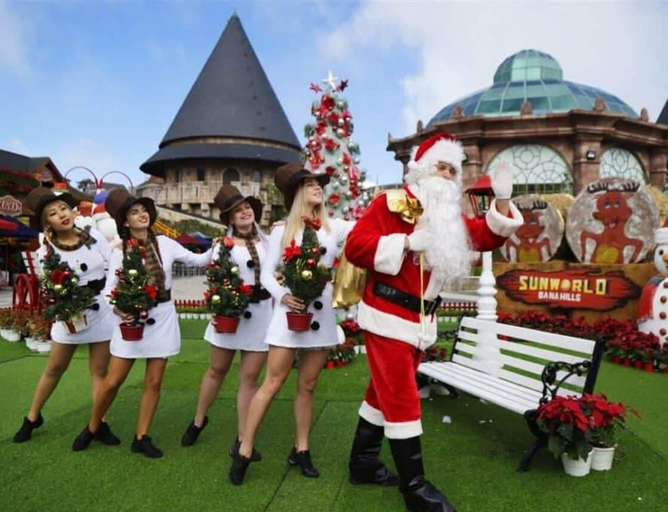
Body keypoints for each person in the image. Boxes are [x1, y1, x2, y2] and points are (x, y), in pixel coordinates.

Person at [344, 132, 522, 512]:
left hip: (420, 321)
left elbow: (484, 235)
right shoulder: (390, 204)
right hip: (387, 315)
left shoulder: (450, 217)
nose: (445, 174)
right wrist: (407, 242)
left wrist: (503, 200)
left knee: (383, 392)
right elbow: (356, 246)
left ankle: (362, 465)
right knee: (403, 398)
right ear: (421, 170)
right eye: (440, 166)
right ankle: (415, 490)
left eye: (451, 169)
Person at [228, 163, 354, 485]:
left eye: (318, 183)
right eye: (309, 183)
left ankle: (302, 449)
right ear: (296, 192)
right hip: (289, 316)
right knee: (272, 383)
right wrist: (283, 296)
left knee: (308, 385)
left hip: (321, 316)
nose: (317, 187)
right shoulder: (281, 230)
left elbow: (365, 230)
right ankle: (244, 448)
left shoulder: (333, 228)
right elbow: (268, 273)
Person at [72, 189, 215, 458]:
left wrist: (221, 244)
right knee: (114, 380)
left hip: (162, 316)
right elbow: (108, 290)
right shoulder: (121, 251)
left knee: (154, 380)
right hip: (132, 320)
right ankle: (93, 427)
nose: (142, 215)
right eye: (135, 212)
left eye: (144, 210)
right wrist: (118, 309)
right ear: (125, 221)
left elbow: (200, 260)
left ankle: (142, 436)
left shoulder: (167, 244)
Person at [13, 187, 119, 444]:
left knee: (99, 370)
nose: (61, 215)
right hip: (69, 313)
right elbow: (49, 286)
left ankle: (99, 424)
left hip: (100, 308)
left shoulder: (92, 235)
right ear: (46, 221)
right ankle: (32, 417)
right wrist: (66, 306)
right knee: (55, 367)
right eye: (52, 213)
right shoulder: (47, 250)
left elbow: (114, 261)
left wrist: (107, 295)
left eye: (63, 208)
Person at [181, 185, 272, 462]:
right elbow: (208, 272)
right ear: (229, 219)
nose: (244, 212)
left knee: (250, 379)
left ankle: (243, 439)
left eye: (247, 207)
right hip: (230, 313)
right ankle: (198, 419)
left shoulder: (269, 242)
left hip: (261, 314)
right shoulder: (222, 245)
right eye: (237, 210)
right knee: (217, 369)